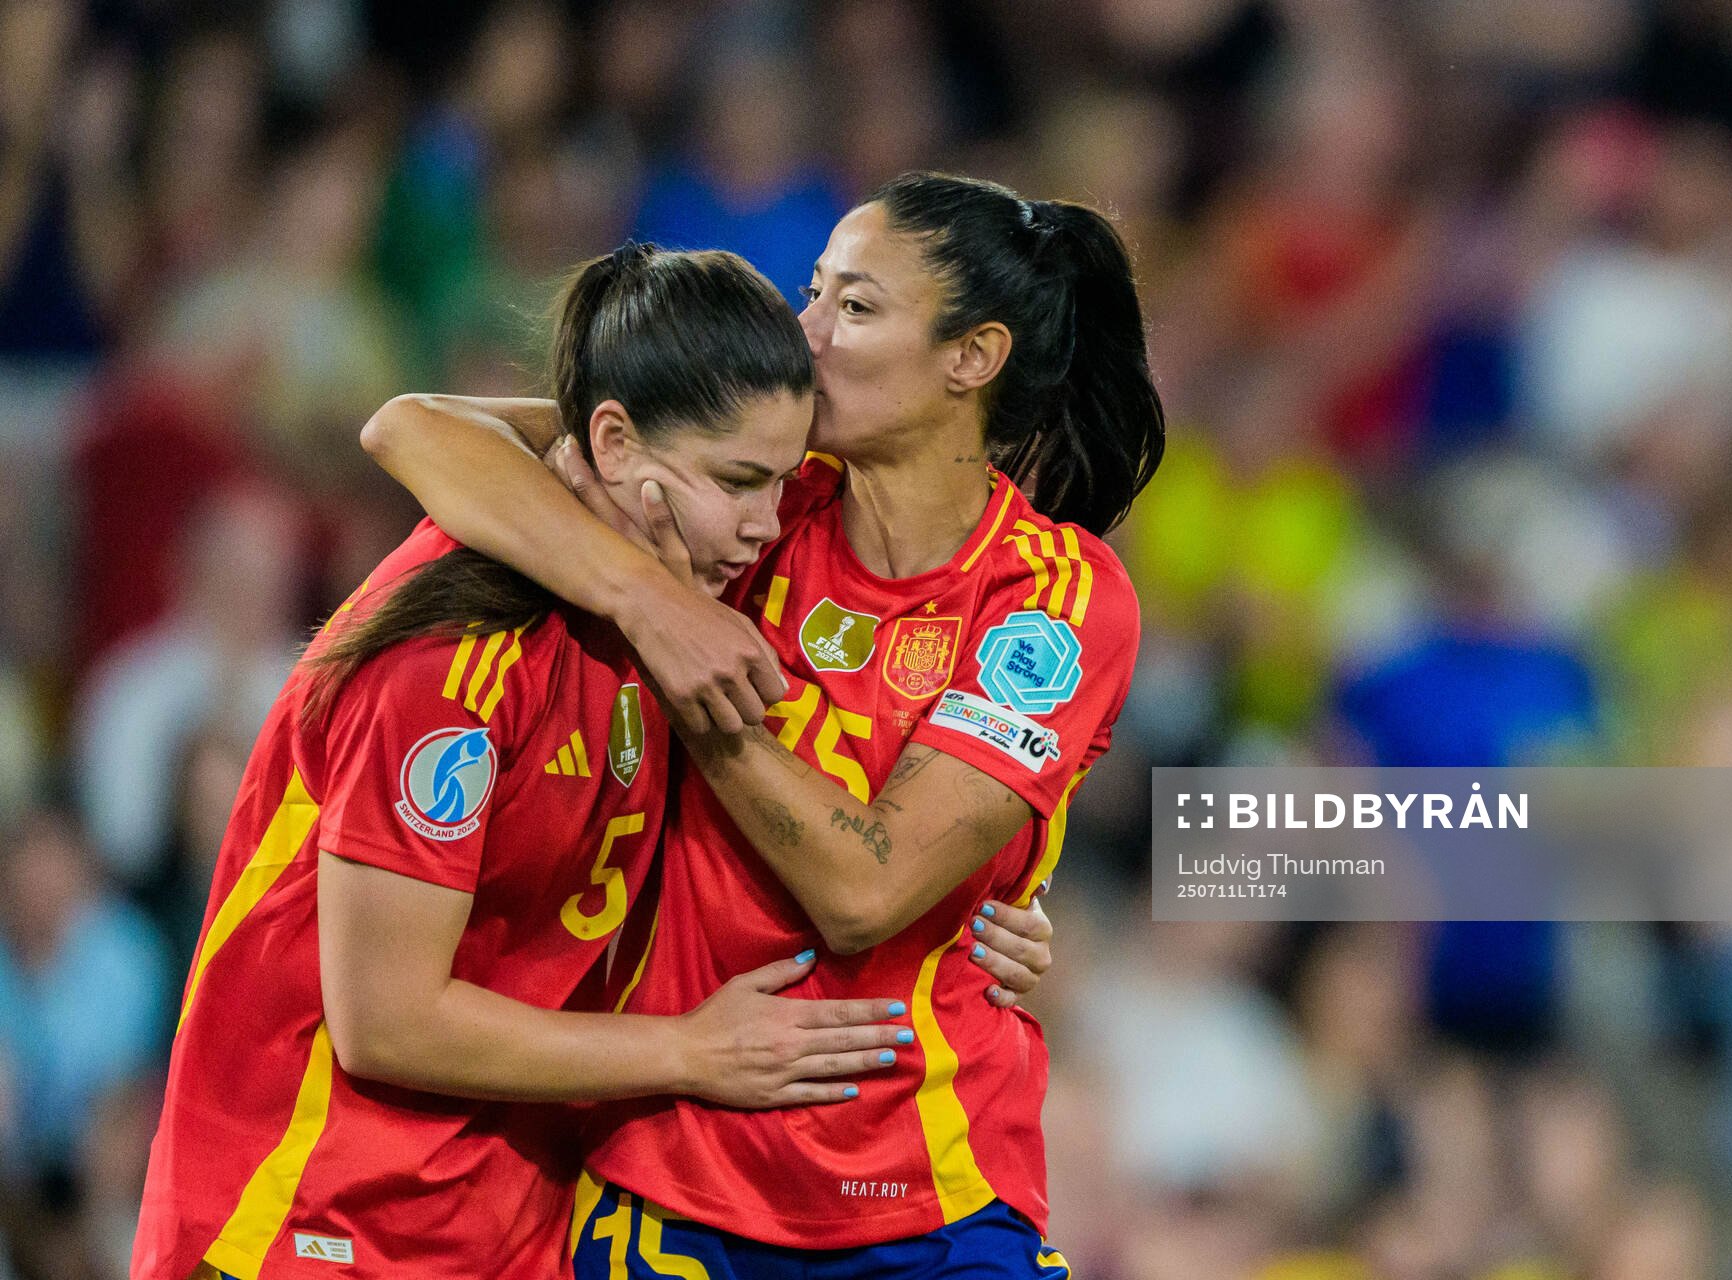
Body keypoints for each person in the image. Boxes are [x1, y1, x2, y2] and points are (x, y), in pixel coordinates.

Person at [363, 172, 1164, 1278]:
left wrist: (688, 673)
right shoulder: (748, 491)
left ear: (973, 357)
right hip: (671, 1174)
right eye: (812, 292)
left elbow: (866, 892)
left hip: (929, 1193)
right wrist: (651, 599)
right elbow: (415, 427)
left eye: (855, 307)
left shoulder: (1053, 595)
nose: (806, 331)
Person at [134, 244, 928, 1280]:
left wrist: (986, 912)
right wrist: (695, 1049)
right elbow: (386, 1019)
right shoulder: (453, 659)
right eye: (738, 481)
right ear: (613, 440)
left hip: (501, 1224)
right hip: (306, 1219)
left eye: (780, 482)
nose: (765, 525)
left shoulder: (669, 606)